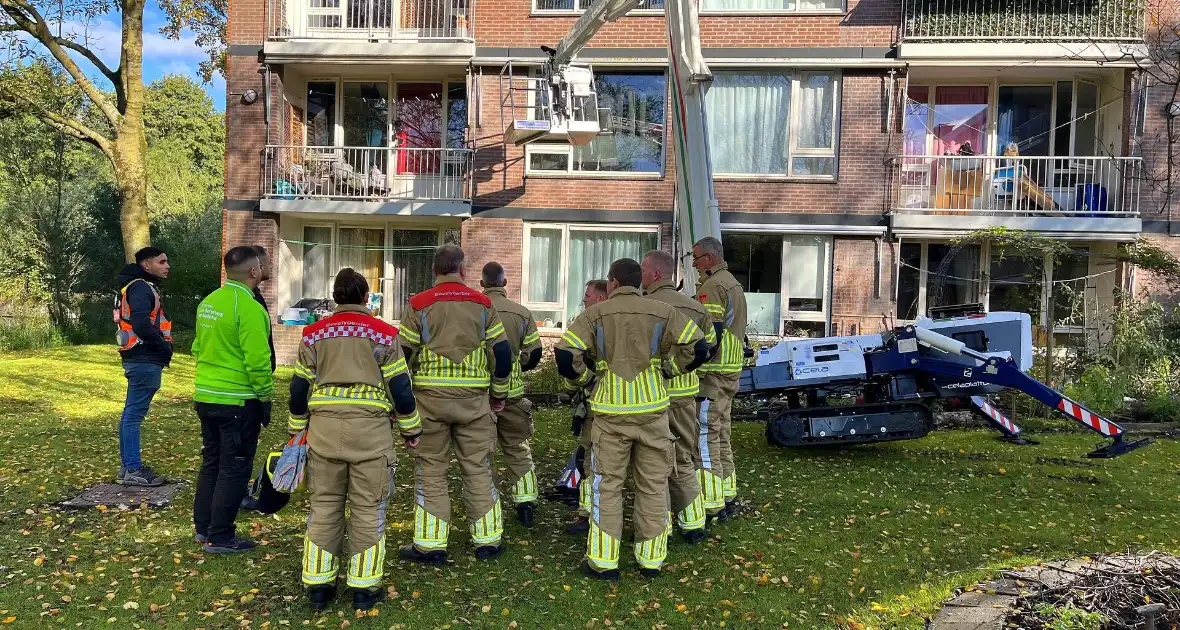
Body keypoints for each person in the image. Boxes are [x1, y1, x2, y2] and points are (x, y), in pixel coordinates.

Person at [555, 258, 708, 580]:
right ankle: (650, 560)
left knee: (606, 486)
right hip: (653, 409)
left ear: (612, 282)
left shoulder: (594, 314)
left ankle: (603, 561)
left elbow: (566, 355)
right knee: (652, 486)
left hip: (610, 413)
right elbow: (700, 346)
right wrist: (669, 370)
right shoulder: (663, 311)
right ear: (639, 281)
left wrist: (586, 381)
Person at [288, 268, 419, 611]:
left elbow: (299, 386)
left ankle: (318, 585)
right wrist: (411, 429)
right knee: (368, 509)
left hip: (323, 434)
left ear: (335, 297)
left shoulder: (313, 334)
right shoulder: (385, 335)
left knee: (325, 508)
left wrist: (296, 427)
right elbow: (401, 390)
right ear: (365, 298)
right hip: (370, 436)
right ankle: (364, 588)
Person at [397, 245, 513, 564]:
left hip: (429, 402)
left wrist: (401, 402)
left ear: (435, 271)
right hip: (474, 402)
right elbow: (502, 355)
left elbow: (401, 357)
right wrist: (498, 394)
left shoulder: (418, 304)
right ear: (463, 271)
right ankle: (487, 541)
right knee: (477, 467)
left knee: (431, 470)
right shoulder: (484, 303)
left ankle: (431, 545)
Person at [191, 246, 275, 553]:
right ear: (253, 272)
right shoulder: (250, 308)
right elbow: (258, 361)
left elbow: (198, 348)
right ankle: (221, 536)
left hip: (206, 395)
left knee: (211, 463)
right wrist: (265, 398)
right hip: (238, 401)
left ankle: (203, 529)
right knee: (234, 467)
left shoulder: (210, 302)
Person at [641, 250, 715, 544]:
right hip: (684, 397)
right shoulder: (696, 308)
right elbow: (706, 350)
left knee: (653, 464)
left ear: (656, 274)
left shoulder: (643, 308)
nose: (641, 276)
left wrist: (665, 370)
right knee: (684, 459)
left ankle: (660, 526)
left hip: (651, 398)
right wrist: (684, 372)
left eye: (644, 272)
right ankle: (694, 525)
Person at [480, 262, 543, 528]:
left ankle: (486, 505)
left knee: (483, 454)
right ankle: (525, 503)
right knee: (518, 449)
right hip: (514, 394)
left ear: (482, 284)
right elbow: (536, 353)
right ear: (505, 283)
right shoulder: (522, 312)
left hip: (481, 394)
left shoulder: (476, 310)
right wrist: (518, 366)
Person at [692, 236, 748, 521]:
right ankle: (728, 494)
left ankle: (712, 505)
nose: (693, 263)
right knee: (722, 436)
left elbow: (710, 334)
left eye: (696, 258)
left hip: (712, 375)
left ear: (710, 258)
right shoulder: (733, 283)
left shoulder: (713, 286)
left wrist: (692, 362)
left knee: (706, 438)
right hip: (730, 371)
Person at [115, 246, 173, 487]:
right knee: (133, 416)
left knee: (131, 415)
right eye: (162, 261)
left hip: (140, 358)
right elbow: (141, 323)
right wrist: (163, 347)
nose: (167, 265)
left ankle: (127, 468)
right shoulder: (140, 287)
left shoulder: (136, 286)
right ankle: (133, 469)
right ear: (146, 265)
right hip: (144, 358)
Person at [565, 279, 608, 536]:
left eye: (587, 295)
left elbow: (571, 357)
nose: (584, 300)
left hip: (599, 405)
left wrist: (580, 383)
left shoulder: (594, 323)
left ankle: (588, 513)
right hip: (639, 407)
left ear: (601, 298)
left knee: (590, 459)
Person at [250, 245, 277, 374]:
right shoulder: (251, 300)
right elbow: (255, 348)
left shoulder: (256, 295)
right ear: (259, 266)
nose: (271, 266)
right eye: (269, 262)